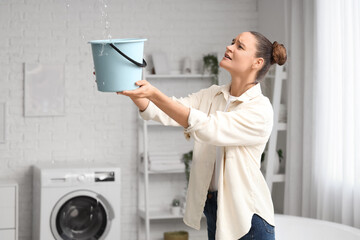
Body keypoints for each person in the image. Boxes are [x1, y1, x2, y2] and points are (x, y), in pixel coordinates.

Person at [119, 31, 287, 240]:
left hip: (248, 218)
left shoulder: (260, 110)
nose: (230, 47)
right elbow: (167, 111)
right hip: (216, 209)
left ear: (257, 62)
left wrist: (154, 93)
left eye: (240, 46)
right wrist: (129, 86)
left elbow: (209, 128)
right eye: (232, 42)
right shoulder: (213, 95)